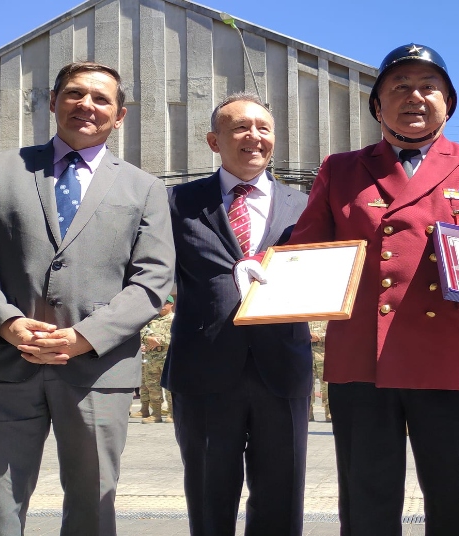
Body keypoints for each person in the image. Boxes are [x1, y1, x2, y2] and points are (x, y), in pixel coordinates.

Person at [246, 44, 459, 535]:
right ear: (378, 105)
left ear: (449, 103)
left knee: (455, 498)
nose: (414, 97)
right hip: (361, 360)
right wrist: (262, 265)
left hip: (450, 355)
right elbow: (310, 238)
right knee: (366, 498)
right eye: (399, 87)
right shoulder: (341, 168)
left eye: (428, 87)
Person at [0, 61, 175, 535]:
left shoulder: (145, 188)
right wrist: (6, 322)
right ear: (53, 101)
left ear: (120, 115)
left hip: (96, 371)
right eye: (74, 93)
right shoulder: (0, 169)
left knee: (93, 505)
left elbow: (153, 279)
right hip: (3, 364)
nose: (86, 105)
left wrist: (87, 336)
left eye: (101, 98)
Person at [163, 92, 311, 536]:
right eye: (240, 128)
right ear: (214, 140)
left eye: (263, 128)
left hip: (283, 368)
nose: (254, 137)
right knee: (209, 497)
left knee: (281, 499)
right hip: (203, 371)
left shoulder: (304, 204)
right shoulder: (176, 202)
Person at [139, 295, 174, 424]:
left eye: (166, 303)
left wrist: (157, 341)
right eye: (161, 303)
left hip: (167, 356)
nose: (163, 306)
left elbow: (175, 337)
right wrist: (147, 339)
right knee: (152, 386)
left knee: (170, 387)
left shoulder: (174, 319)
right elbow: (142, 333)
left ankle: (172, 413)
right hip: (152, 357)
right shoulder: (151, 319)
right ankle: (156, 414)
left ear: (171, 304)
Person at [309, 320, 331, 422]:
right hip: (307, 354)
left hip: (323, 355)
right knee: (308, 384)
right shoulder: (306, 318)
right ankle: (308, 414)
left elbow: (332, 332)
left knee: (327, 385)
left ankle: (329, 413)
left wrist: (318, 336)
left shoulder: (327, 317)